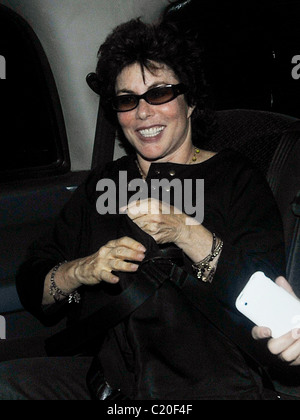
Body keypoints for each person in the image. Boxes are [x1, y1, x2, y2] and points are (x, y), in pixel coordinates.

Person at [0, 18, 297, 400]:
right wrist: (81, 270)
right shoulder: (105, 184)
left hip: (208, 382)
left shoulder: (234, 180)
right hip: (111, 379)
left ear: (190, 102)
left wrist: (187, 232)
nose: (142, 112)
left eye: (159, 94)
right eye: (127, 100)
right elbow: (32, 284)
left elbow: (267, 294)